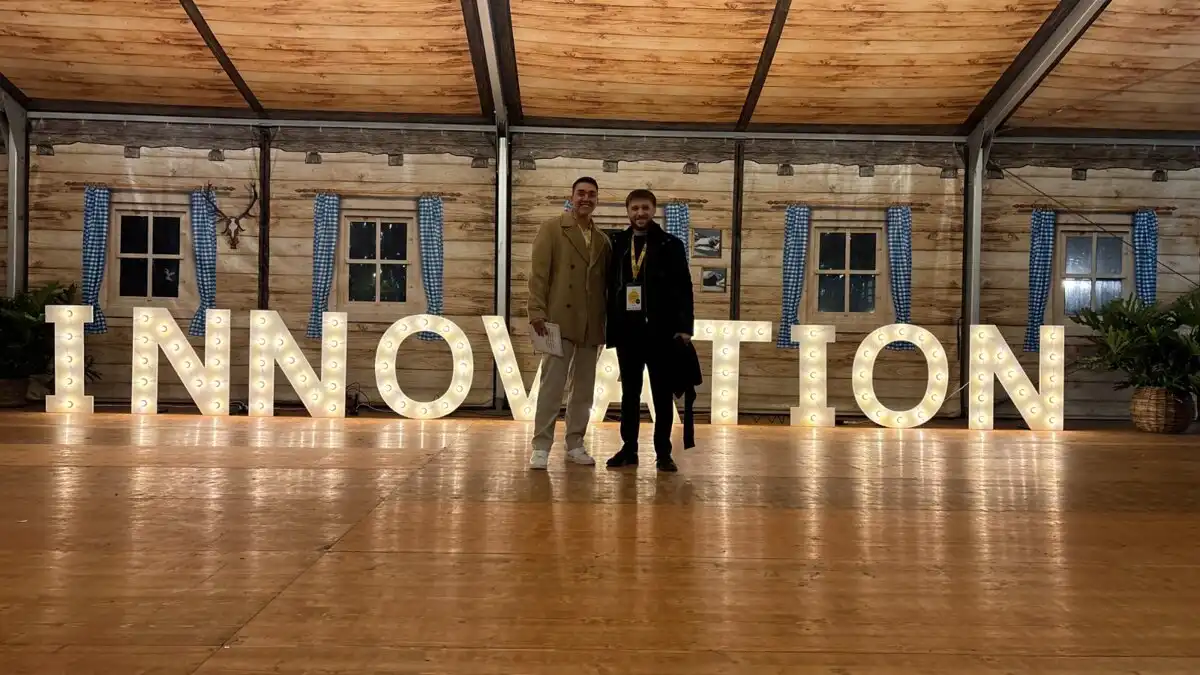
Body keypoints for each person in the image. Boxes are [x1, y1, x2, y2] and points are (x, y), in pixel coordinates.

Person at [603, 189, 695, 472]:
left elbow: (684, 286)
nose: (640, 213)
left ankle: (663, 453)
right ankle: (629, 449)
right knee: (629, 394)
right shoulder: (617, 243)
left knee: (661, 395)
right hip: (627, 332)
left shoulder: (671, 244)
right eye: (635, 208)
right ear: (627, 211)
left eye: (645, 208)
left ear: (654, 210)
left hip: (661, 332)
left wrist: (684, 328)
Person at [526, 176, 612, 470]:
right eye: (581, 193)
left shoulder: (602, 240)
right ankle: (540, 446)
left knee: (584, 390)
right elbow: (538, 275)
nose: (586, 198)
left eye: (591, 194)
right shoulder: (552, 229)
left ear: (597, 199)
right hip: (557, 320)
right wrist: (536, 311)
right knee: (551, 387)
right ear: (572, 196)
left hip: (592, 323)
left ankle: (575, 443)